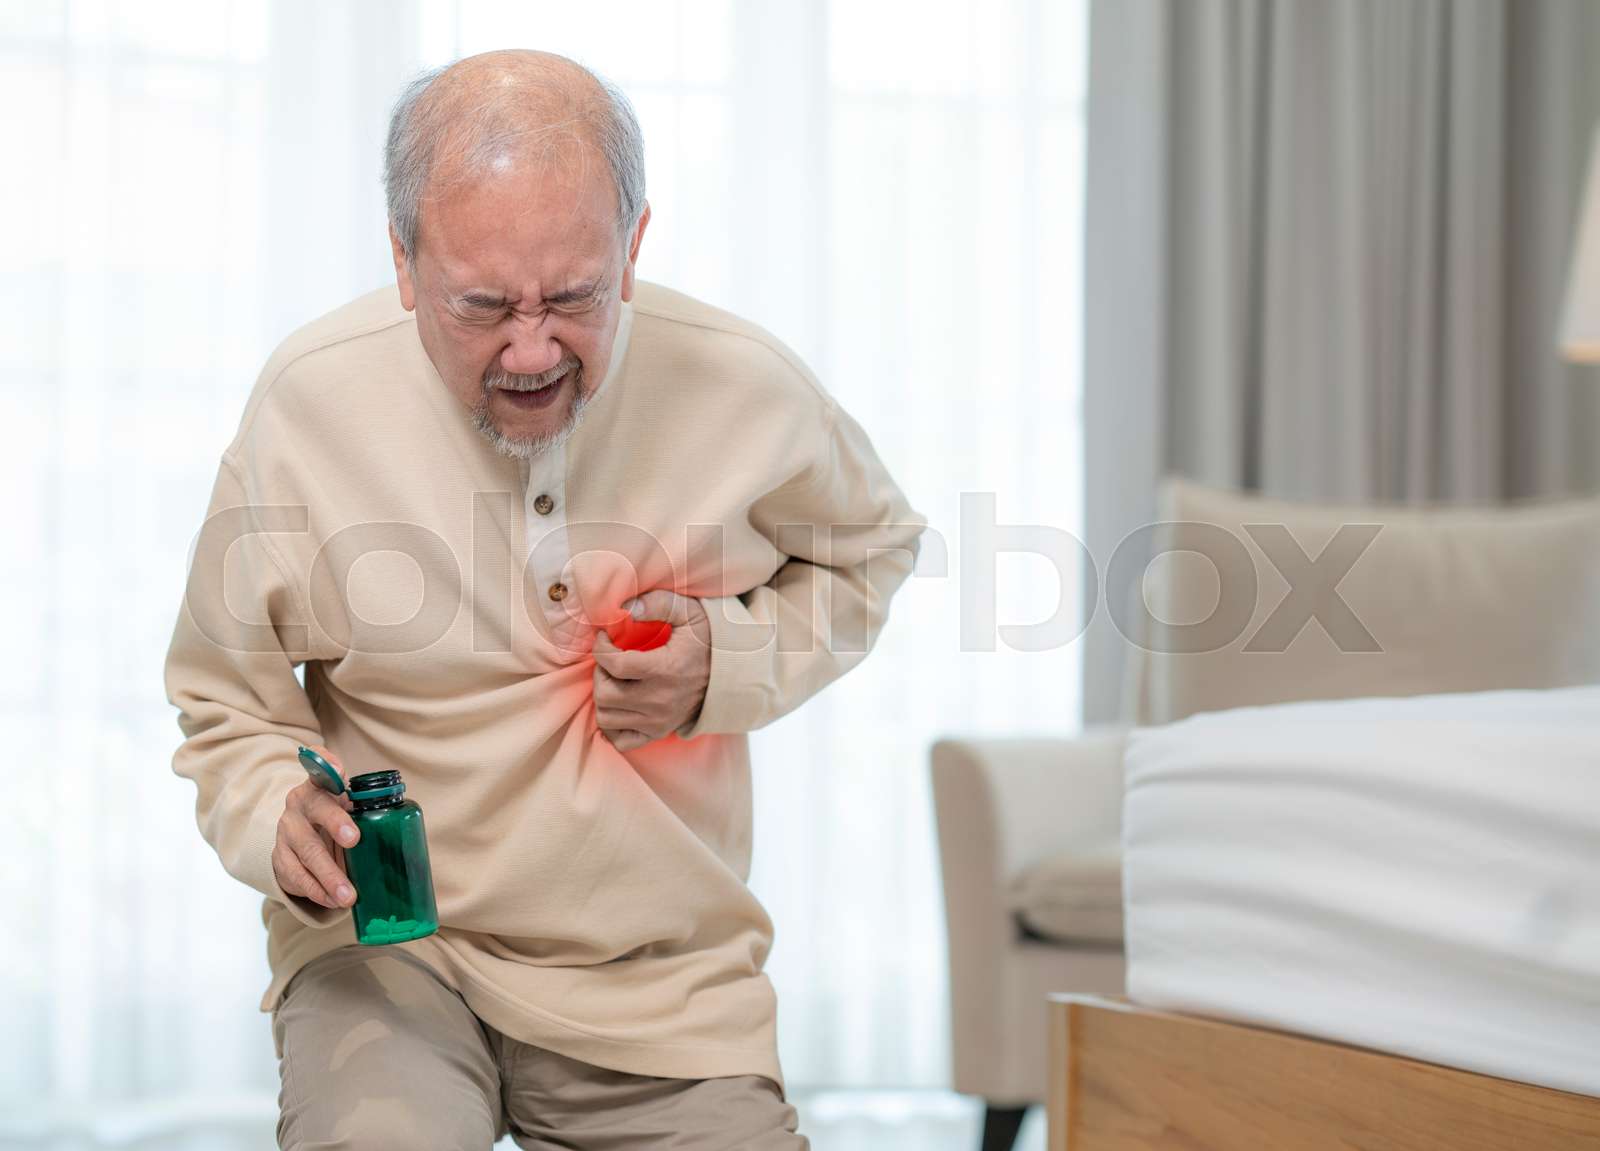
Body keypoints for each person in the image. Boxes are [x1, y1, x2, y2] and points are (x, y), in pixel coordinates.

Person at [164, 49, 923, 1150]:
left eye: (571, 296)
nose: (531, 350)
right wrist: (271, 808)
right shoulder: (308, 402)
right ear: (405, 263)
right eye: (484, 306)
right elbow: (224, 699)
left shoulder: (744, 384)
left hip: (658, 980)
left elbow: (875, 548)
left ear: (632, 249)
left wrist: (729, 658)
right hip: (390, 955)